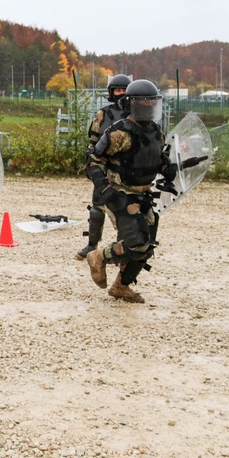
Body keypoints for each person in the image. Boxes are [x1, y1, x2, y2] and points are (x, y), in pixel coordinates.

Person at [84, 79, 173, 304]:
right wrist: (105, 189)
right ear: (132, 104)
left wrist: (166, 167)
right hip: (119, 193)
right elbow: (94, 161)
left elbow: (156, 157)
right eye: (142, 102)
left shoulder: (155, 131)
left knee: (147, 246)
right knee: (137, 243)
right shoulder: (118, 133)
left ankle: (121, 286)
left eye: (150, 102)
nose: (147, 106)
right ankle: (98, 256)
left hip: (142, 194)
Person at [77, 73, 131, 260]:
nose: (121, 93)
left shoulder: (136, 115)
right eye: (118, 90)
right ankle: (92, 244)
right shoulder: (103, 114)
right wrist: (91, 164)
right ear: (111, 92)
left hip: (126, 170)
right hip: (104, 167)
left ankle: (120, 249)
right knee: (97, 208)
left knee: (124, 212)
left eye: (124, 90)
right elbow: (92, 141)